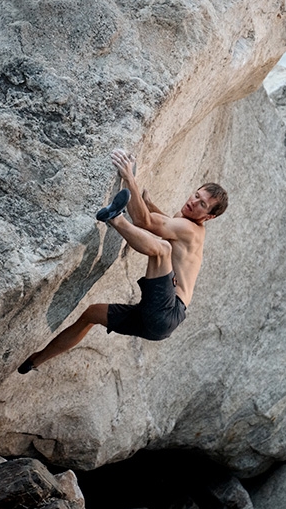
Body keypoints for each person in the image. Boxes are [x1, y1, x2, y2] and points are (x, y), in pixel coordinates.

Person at [17, 149, 228, 373]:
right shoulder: (185, 224)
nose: (194, 202)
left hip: (168, 309)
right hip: (157, 324)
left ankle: (114, 218)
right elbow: (164, 223)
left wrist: (129, 177)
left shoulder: (191, 230)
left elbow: (142, 221)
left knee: (162, 250)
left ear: (209, 217)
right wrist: (148, 204)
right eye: (197, 195)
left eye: (203, 205)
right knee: (92, 314)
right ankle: (34, 361)